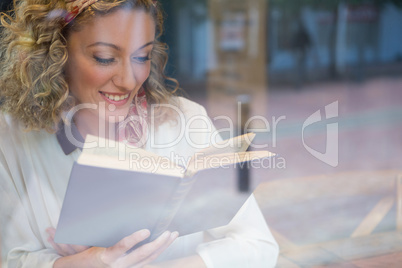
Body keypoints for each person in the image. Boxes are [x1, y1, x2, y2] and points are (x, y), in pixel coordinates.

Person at [0, 0, 279, 267]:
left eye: (141, 56)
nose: (129, 80)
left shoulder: (185, 119)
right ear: (56, 53)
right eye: (105, 58)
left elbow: (259, 246)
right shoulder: (13, 135)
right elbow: (13, 259)